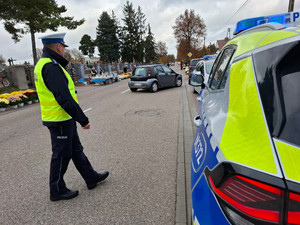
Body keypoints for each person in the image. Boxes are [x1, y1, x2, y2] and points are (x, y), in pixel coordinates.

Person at [34, 32, 109, 202]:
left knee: (76, 150)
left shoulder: (46, 63)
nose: (64, 51)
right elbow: (64, 98)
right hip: (59, 119)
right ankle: (57, 190)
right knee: (61, 155)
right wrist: (82, 119)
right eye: (63, 47)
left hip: (62, 118)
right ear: (59, 47)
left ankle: (90, 178)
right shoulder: (51, 66)